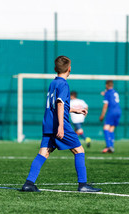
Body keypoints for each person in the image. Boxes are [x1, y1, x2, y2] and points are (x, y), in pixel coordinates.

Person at [21, 56, 101, 192]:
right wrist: (61, 126)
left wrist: (75, 109)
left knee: (43, 153)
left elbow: (57, 105)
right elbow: (59, 104)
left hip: (48, 124)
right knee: (79, 150)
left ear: (55, 69)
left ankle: (29, 183)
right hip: (59, 123)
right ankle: (82, 185)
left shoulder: (53, 83)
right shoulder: (64, 84)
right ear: (69, 69)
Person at [99, 80, 121, 153]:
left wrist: (102, 115)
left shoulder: (107, 93)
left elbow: (105, 105)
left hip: (112, 111)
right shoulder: (115, 92)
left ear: (106, 85)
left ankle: (109, 146)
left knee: (105, 128)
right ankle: (111, 146)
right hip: (118, 111)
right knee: (111, 129)